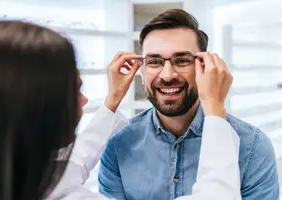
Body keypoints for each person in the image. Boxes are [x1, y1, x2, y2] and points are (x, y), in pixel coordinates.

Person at [0, 20, 240, 200]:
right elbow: (218, 196)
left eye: (182, 60)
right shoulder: (120, 148)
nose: (83, 101)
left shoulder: (12, 175)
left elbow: (70, 165)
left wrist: (112, 101)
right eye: (74, 91)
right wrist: (215, 109)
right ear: (35, 109)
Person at [98, 8, 280, 200]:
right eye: (154, 62)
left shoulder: (253, 146)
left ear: (205, 66)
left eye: (182, 60)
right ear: (141, 71)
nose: (167, 75)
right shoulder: (117, 145)